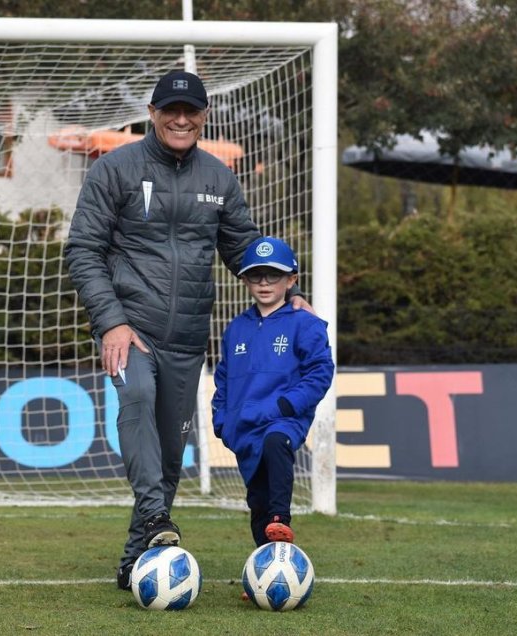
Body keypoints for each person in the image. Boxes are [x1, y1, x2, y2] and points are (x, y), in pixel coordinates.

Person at [64, 70, 312, 591]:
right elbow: (83, 251)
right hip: (130, 330)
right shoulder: (114, 169)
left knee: (172, 458)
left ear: (203, 117)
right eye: (171, 109)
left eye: (191, 110)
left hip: (187, 339)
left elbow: (243, 248)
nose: (181, 118)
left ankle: (138, 560)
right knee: (136, 399)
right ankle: (157, 519)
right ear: (152, 114)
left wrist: (288, 294)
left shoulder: (218, 178)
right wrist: (111, 321)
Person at [212, 236, 334, 548]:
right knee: (257, 501)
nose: (264, 283)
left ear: (291, 279)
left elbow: (321, 371)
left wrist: (287, 404)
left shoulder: (305, 323)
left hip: (283, 419)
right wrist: (222, 420)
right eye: (256, 275)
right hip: (244, 427)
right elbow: (223, 378)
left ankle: (282, 518)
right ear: (244, 279)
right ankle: (266, 566)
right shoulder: (236, 328)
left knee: (275, 443)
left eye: (274, 275)